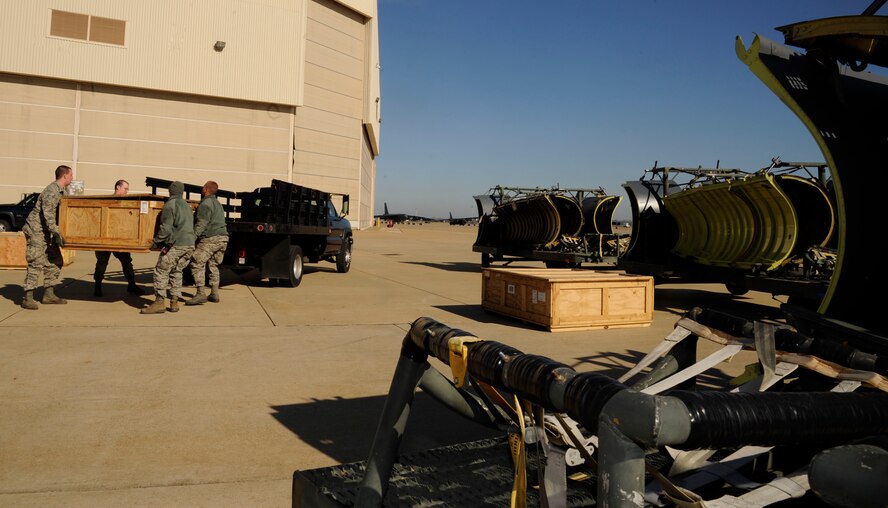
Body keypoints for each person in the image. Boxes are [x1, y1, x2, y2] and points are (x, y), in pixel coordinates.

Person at [21, 165, 73, 310]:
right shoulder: (52, 190)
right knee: (36, 262)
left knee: (56, 260)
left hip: (47, 231)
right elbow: (48, 214)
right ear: (64, 176)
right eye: (71, 175)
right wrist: (56, 232)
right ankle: (28, 297)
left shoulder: (62, 191)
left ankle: (48, 294)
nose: (72, 178)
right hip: (37, 230)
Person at [141, 181, 195, 314]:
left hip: (176, 244)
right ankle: (174, 302)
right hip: (189, 244)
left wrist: (155, 242)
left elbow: (165, 229)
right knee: (177, 271)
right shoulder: (187, 206)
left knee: (161, 270)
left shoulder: (169, 205)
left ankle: (159, 302)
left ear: (170, 191)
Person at [93, 180, 145, 297]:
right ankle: (97, 287)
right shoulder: (106, 201)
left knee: (127, 262)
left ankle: (132, 285)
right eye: (125, 189)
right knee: (102, 262)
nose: (127, 191)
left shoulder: (126, 202)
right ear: (118, 187)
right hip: (105, 238)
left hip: (120, 238)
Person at [186, 181, 229, 305]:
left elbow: (201, 224)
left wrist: (191, 238)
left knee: (196, 262)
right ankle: (214, 293)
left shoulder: (205, 204)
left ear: (205, 189)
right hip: (223, 239)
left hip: (211, 238)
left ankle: (200, 293)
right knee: (213, 265)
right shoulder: (218, 203)